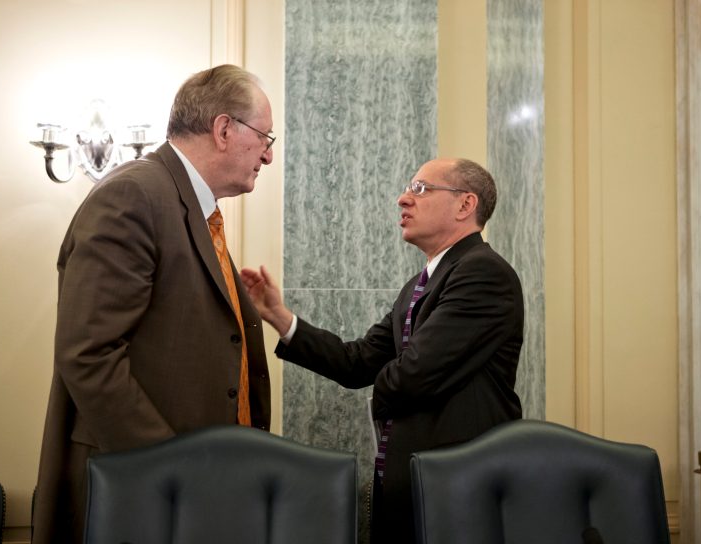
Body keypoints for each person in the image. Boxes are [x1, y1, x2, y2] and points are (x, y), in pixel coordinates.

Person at [32, 64, 274, 544]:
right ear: (224, 129)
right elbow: (89, 353)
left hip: (197, 487)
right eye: (265, 138)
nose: (268, 156)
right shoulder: (133, 194)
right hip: (138, 492)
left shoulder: (186, 204)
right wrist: (169, 469)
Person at [241, 157, 524, 543]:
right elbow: (357, 362)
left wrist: (378, 398)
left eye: (421, 189)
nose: (402, 199)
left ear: (465, 205)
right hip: (411, 479)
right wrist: (279, 317)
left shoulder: (483, 273)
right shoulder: (418, 284)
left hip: (459, 488)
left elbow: (414, 374)